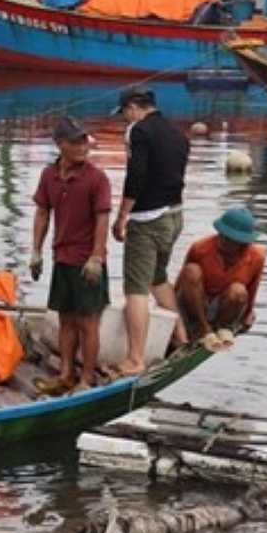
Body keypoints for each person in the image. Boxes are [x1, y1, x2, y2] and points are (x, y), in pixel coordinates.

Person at [29, 117, 111, 395]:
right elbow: (42, 212)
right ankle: (66, 374)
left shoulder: (96, 178)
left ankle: (86, 379)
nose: (82, 147)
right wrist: (36, 251)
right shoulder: (48, 175)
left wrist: (96, 257)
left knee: (88, 322)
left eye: (84, 141)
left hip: (87, 261)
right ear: (60, 144)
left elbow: (102, 219)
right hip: (62, 258)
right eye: (75, 142)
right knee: (66, 319)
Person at [111, 87, 190, 375]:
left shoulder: (139, 130)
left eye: (124, 113)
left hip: (147, 219)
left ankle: (135, 358)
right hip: (175, 214)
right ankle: (181, 337)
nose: (125, 119)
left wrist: (122, 217)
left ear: (133, 107)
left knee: (136, 289)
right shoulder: (178, 132)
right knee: (158, 277)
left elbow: (136, 176)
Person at [176, 207, 265, 351]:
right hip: (197, 303)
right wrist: (174, 313)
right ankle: (203, 329)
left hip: (224, 306)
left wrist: (248, 313)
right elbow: (182, 282)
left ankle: (221, 327)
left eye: (231, 239)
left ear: (241, 242)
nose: (224, 241)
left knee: (238, 291)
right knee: (191, 271)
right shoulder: (200, 248)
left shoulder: (257, 256)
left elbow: (252, 288)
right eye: (222, 236)